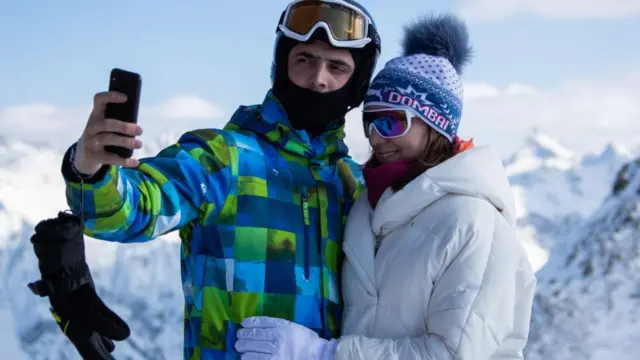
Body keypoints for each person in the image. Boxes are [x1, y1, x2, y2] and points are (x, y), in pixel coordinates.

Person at [41, 1, 382, 359]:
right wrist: (91, 171)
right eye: (305, 59)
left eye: (337, 67)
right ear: (282, 66)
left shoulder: (355, 186)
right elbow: (132, 210)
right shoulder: (222, 158)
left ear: (356, 85)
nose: (318, 78)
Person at [235, 13, 537, 360]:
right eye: (370, 121)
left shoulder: (472, 221)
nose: (378, 137)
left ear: (435, 126)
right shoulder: (367, 206)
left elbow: (455, 354)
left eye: (394, 121)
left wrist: (326, 355)